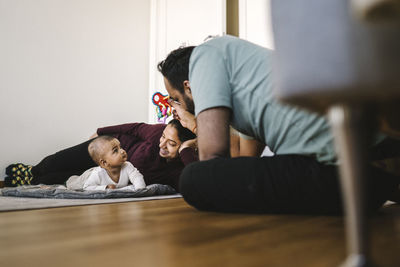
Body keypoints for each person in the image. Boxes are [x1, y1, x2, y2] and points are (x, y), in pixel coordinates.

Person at [157, 35, 400, 214]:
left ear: (189, 85)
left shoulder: (204, 54)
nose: (179, 106)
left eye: (176, 99)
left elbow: (212, 160)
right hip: (374, 157)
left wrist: (192, 125)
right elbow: (242, 165)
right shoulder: (244, 93)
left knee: (194, 179)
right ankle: (380, 180)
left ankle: (370, 183)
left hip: (339, 166)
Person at [5, 119, 197, 192]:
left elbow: (193, 180)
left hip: (110, 172)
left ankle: (32, 179)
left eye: (172, 144)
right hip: (106, 148)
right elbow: (134, 128)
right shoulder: (156, 133)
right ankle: (33, 169)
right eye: (164, 137)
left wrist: (186, 149)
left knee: (64, 178)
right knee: (56, 161)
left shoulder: (177, 170)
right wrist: (101, 132)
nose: (162, 144)